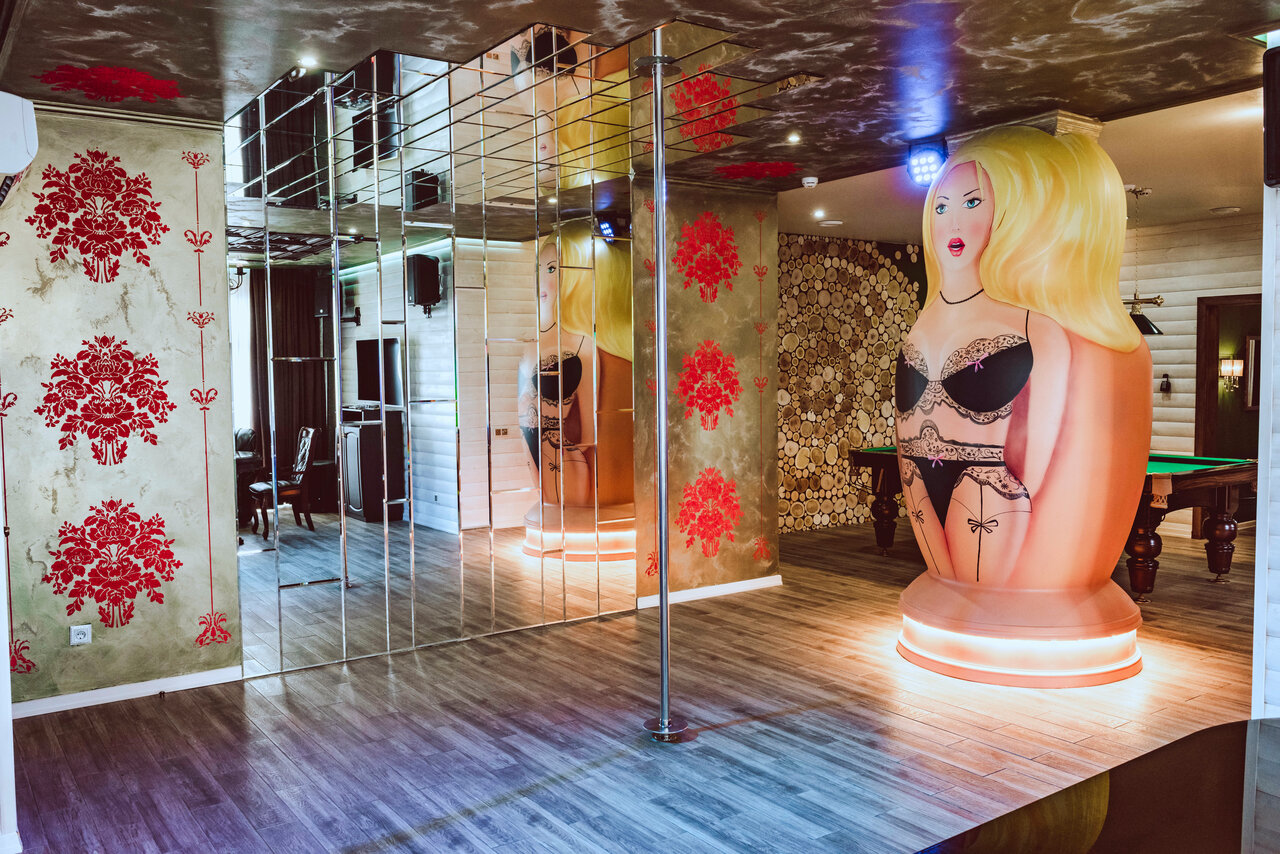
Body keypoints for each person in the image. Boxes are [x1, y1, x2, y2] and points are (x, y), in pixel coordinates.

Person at [896, 126, 1151, 594]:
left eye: (973, 203)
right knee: (944, 593)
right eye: (941, 207)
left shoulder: (1036, 327)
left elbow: (1042, 444)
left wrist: (1022, 492)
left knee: (983, 601)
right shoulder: (922, 325)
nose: (952, 224)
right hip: (915, 473)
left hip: (986, 486)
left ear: (1012, 214)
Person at [519, 235, 597, 506]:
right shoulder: (528, 342)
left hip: (562, 458)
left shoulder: (583, 344)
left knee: (563, 513)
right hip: (529, 446)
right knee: (545, 510)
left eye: (552, 269)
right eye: (538, 270)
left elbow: (590, 431)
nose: (542, 280)